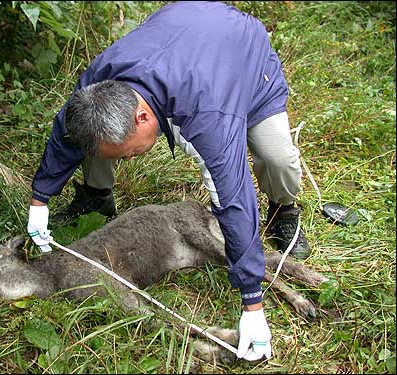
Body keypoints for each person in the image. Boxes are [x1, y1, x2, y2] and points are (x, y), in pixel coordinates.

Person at [27, 1, 310, 361]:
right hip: (182, 30)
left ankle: (284, 211)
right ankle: (96, 197)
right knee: (91, 140)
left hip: (244, 59)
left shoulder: (209, 116)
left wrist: (252, 304)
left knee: (276, 159)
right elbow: (67, 132)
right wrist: (41, 198)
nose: (128, 159)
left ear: (143, 118)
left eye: (127, 152)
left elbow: (233, 198)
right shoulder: (99, 82)